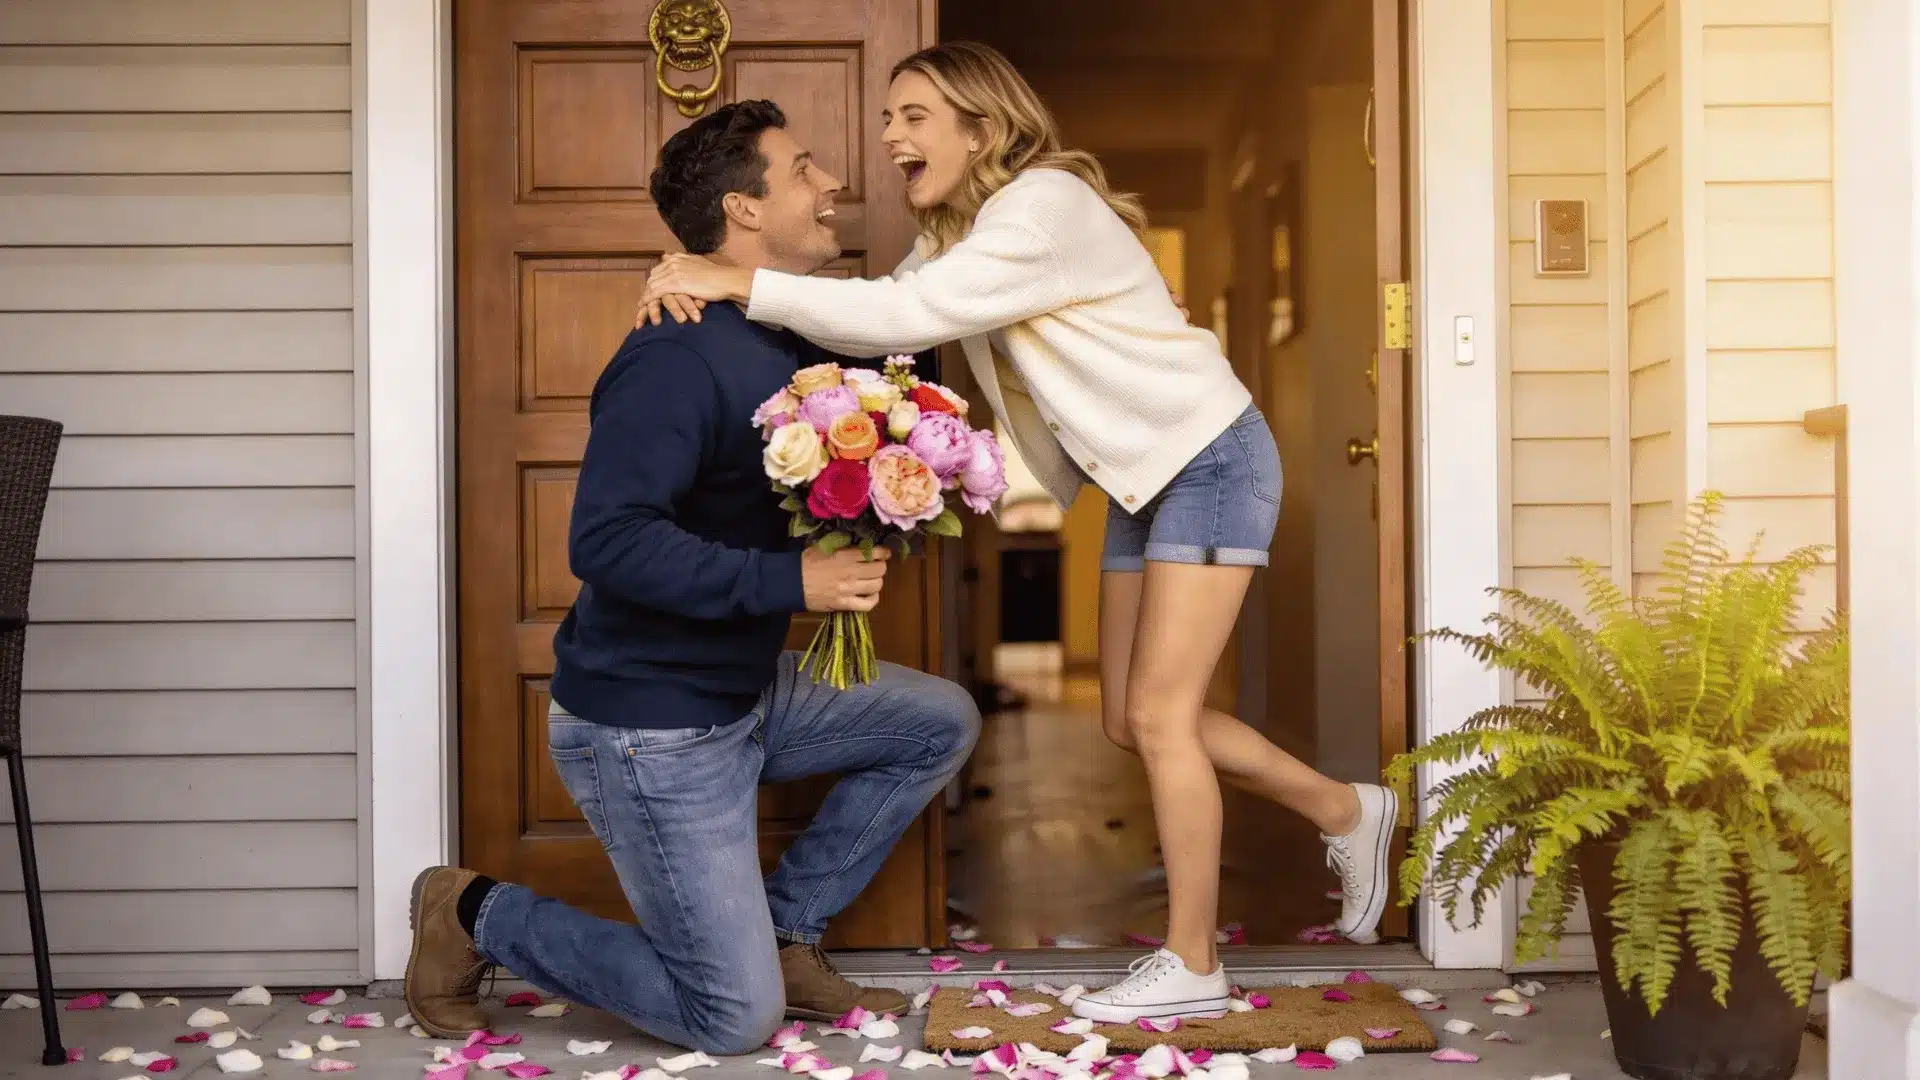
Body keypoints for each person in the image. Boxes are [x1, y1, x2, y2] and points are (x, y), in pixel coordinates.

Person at [634, 41, 1398, 1024]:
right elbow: (880, 323)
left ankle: (1195, 960)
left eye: (914, 115)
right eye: (888, 118)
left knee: (1161, 717)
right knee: (1131, 718)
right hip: (1148, 478)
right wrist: (700, 285)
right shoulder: (967, 229)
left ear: (980, 126)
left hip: (1209, 458)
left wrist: (732, 281)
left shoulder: (1040, 206)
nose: (889, 136)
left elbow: (904, 310)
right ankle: (1347, 809)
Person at [403, 99, 982, 1054]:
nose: (832, 182)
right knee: (730, 1018)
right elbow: (609, 542)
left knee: (939, 721)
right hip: (651, 727)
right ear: (744, 209)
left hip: (745, 691)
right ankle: (474, 913)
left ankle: (786, 933)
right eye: (803, 169)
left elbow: (916, 322)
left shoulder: (787, 329)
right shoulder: (672, 357)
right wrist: (788, 584)